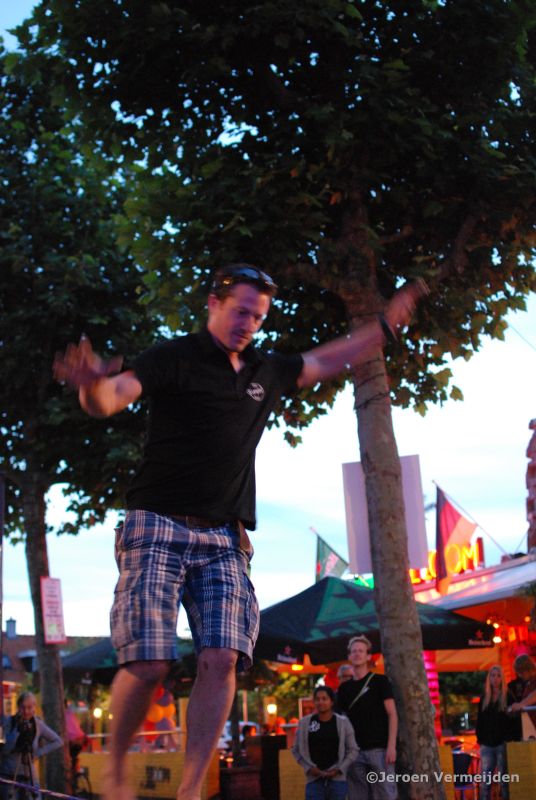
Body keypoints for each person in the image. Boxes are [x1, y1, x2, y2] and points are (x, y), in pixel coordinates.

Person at [53, 263, 425, 800]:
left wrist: (384, 327)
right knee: (151, 660)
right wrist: (91, 388)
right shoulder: (173, 356)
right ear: (214, 303)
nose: (248, 323)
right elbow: (112, 396)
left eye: (258, 317)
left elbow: (330, 357)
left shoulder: (264, 370)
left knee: (222, 656)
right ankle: (115, 773)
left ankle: (190, 790)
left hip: (225, 538)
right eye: (240, 311)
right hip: (156, 522)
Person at [336, 635, 398, 800]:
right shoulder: (344, 689)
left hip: (380, 750)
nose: (357, 654)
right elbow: (340, 721)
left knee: (386, 795)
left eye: (361, 651)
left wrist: (391, 746)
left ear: (368, 656)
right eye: (353, 651)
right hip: (354, 752)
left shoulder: (380, 681)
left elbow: (392, 714)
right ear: (349, 656)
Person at [292, 685, 358, 800]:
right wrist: (309, 768)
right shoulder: (304, 723)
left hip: (337, 780)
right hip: (314, 780)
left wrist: (339, 769)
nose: (320, 702)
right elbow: (295, 749)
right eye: (317, 699)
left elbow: (353, 750)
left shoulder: (343, 723)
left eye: (324, 699)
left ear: (331, 702)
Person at [0, 691, 63, 800]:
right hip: (9, 775)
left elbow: (58, 741)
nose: (26, 711)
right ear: (18, 707)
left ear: (34, 708)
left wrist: (38, 753)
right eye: (22, 707)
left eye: (29, 707)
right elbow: (5, 750)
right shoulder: (9, 721)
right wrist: (17, 730)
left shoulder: (37, 725)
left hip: (29, 775)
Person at [475, 665, 512, 800]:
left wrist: (508, 739)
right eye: (492, 675)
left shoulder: (508, 696)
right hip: (487, 744)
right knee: (485, 782)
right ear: (489, 678)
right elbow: (480, 720)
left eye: (498, 675)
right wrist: (480, 739)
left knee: (504, 781)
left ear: (502, 678)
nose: (495, 678)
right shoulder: (484, 697)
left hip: (502, 743)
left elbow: (513, 720)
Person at [508, 653, 536, 737]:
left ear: (526, 669)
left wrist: (521, 704)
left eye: (520, 673)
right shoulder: (529, 683)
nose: (520, 676)